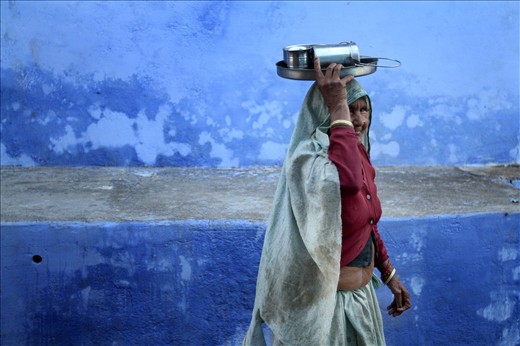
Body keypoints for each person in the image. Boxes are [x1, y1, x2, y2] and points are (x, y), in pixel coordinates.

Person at [244, 57, 411, 346]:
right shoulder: (311, 160)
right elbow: (347, 182)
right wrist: (337, 105)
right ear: (326, 113)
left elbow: (368, 223)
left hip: (361, 303)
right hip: (325, 312)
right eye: (350, 110)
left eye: (364, 110)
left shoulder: (358, 153)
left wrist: (388, 272)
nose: (358, 120)